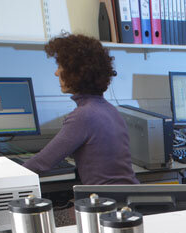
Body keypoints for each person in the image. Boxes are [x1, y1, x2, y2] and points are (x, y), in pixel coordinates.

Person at [22, 34, 138, 185]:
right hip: (126, 195)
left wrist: (7, 177)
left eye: (60, 67)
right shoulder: (110, 110)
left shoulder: (83, 116)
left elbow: (42, 163)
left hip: (105, 198)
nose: (56, 73)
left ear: (76, 72)